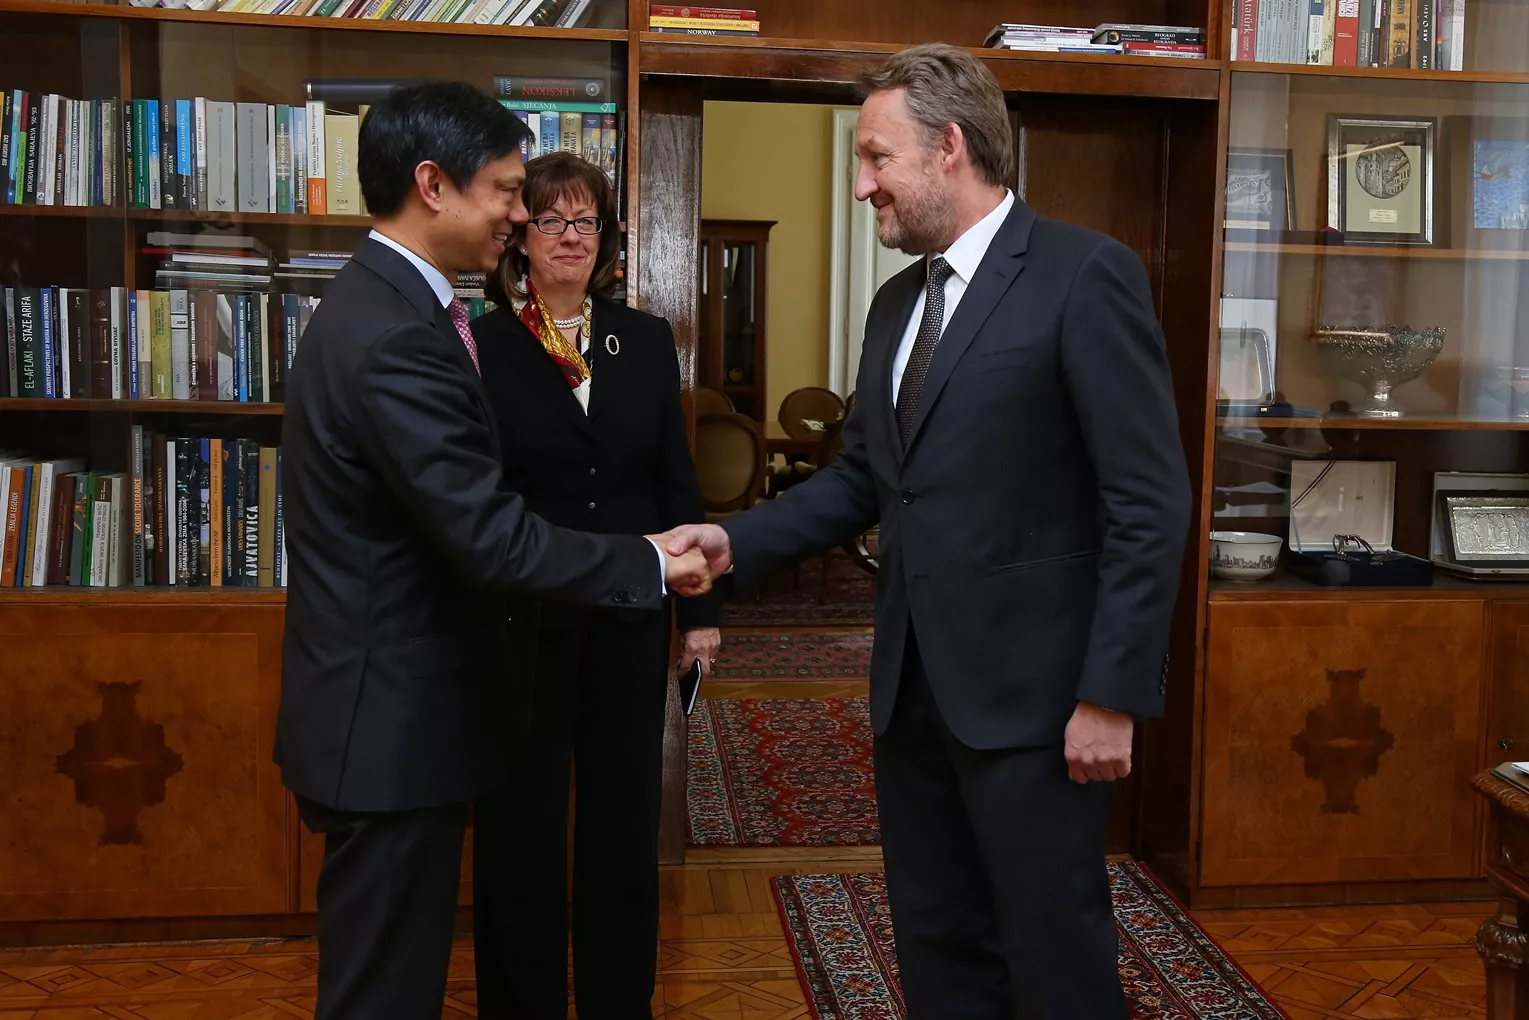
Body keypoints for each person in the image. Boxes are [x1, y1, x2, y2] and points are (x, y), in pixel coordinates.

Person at [667, 43, 1191, 1019]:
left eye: (875, 158)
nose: (862, 185)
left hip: (1040, 704)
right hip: (911, 696)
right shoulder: (895, 304)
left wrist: (1111, 694)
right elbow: (864, 480)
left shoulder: (1083, 275)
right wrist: (737, 543)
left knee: (1053, 957)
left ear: (949, 146)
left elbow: (1147, 501)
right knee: (937, 943)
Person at [274, 81, 710, 1020]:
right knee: (382, 992)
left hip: (405, 707)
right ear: (434, 185)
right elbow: (487, 533)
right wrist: (648, 563)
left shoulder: (392, 309)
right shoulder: (400, 335)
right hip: (394, 720)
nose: (520, 218)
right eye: (511, 194)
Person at [467, 151, 722, 1018]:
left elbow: (674, 482)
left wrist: (699, 613)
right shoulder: (484, 346)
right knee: (520, 831)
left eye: (586, 221)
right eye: (550, 220)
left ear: (606, 238)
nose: (569, 237)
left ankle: (618, 1002)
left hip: (628, 623)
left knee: (621, 829)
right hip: (521, 624)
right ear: (521, 237)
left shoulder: (643, 341)